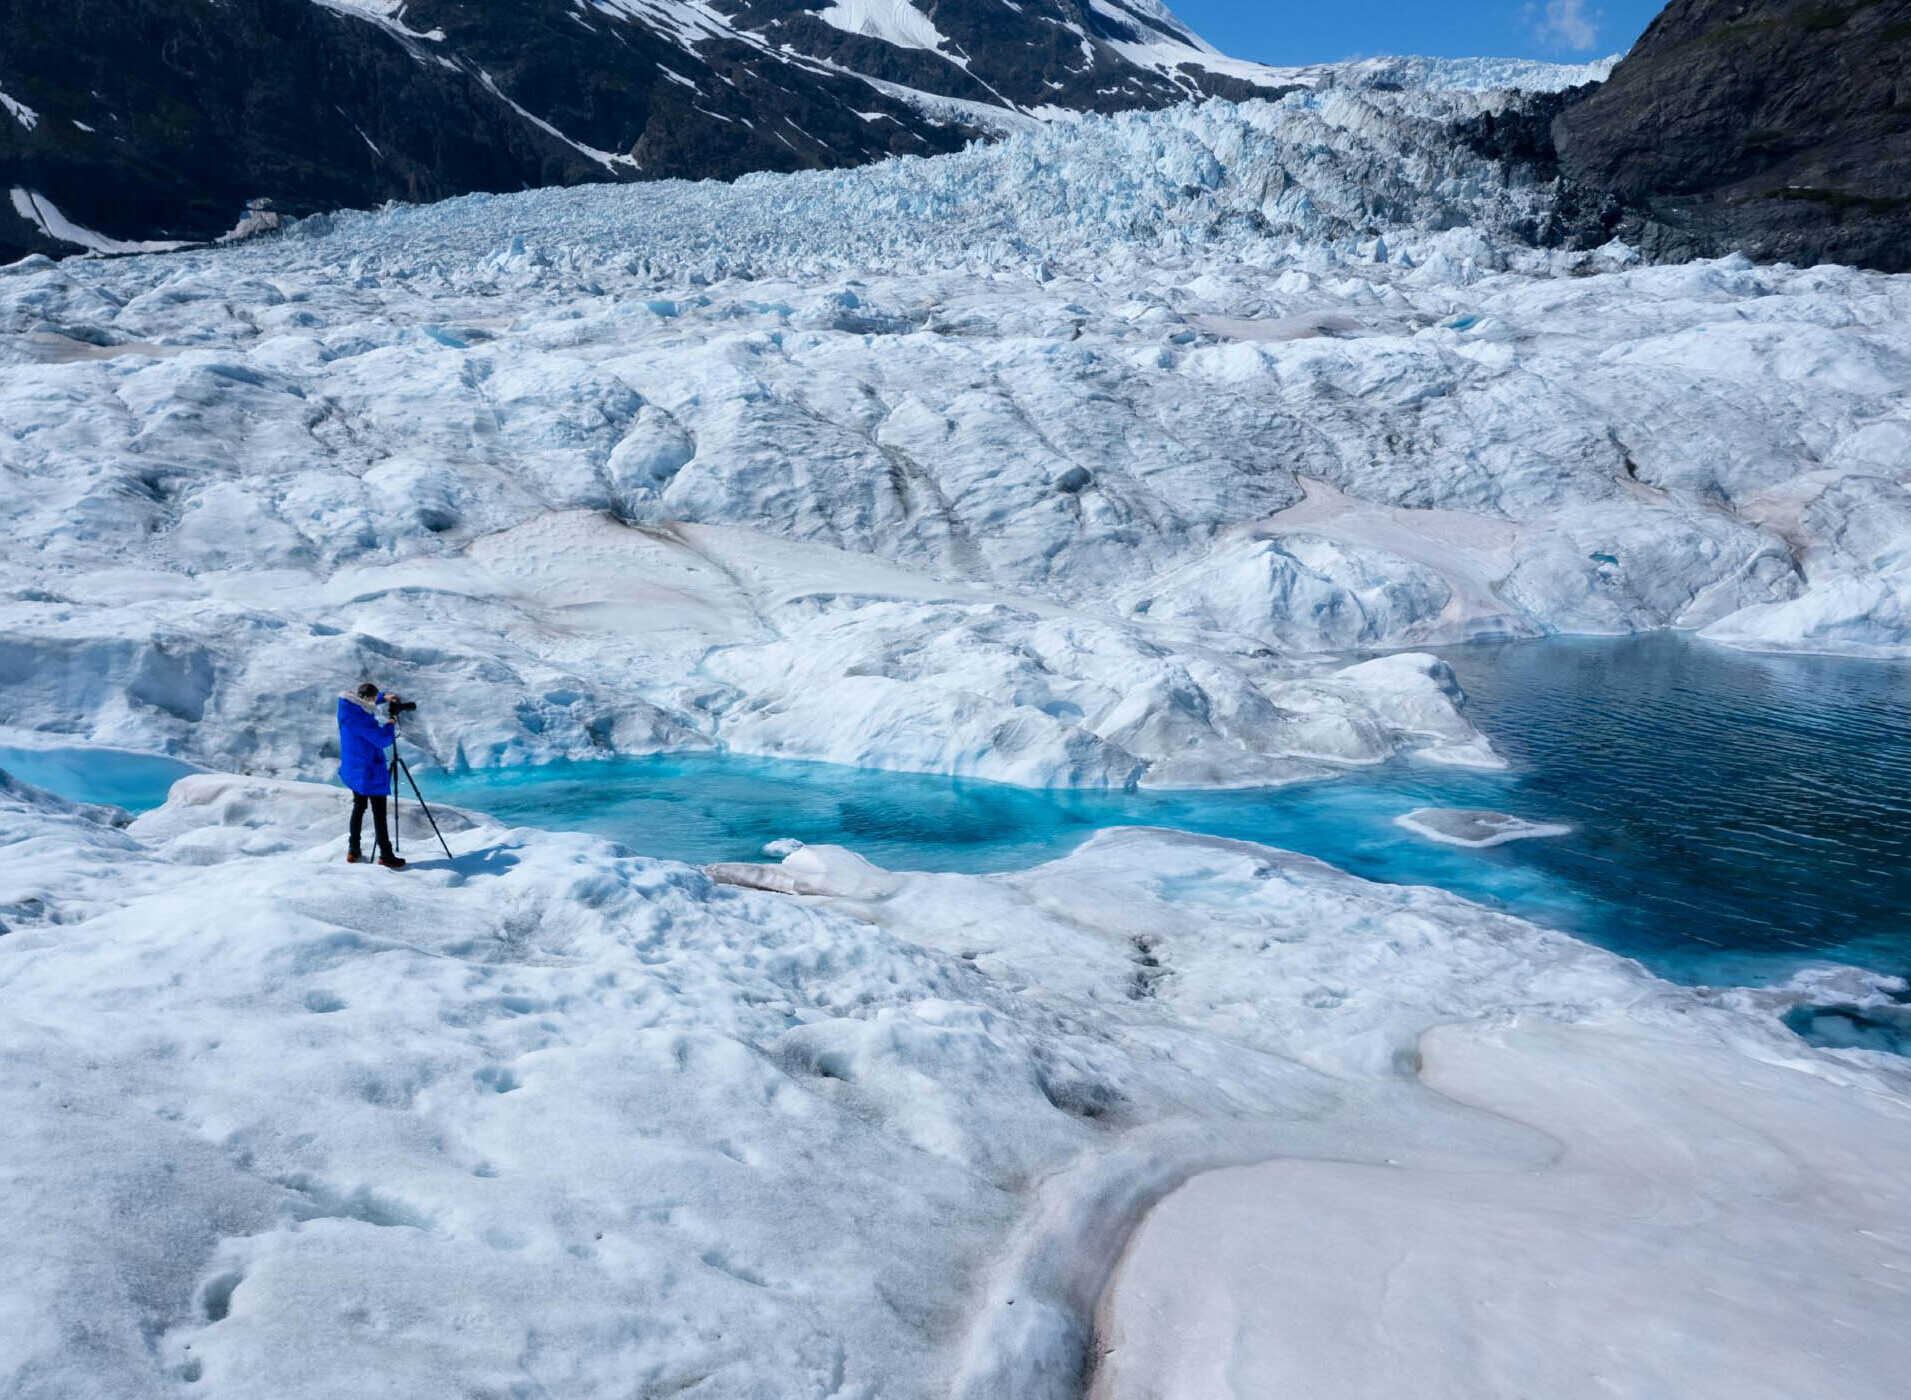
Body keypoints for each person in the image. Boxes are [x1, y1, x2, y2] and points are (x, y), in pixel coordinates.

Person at [337, 682, 406, 869]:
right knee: (379, 813)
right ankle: (386, 855)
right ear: (367, 699)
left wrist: (384, 697)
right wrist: (391, 722)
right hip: (368, 771)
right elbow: (382, 739)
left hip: (353, 768)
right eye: (375, 699)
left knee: (359, 807)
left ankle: (353, 849)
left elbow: (366, 701)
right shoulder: (361, 719)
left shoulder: (348, 707)